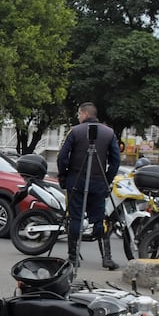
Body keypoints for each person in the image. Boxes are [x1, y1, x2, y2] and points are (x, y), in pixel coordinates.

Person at [56, 102, 121, 269]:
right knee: (100, 219)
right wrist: (107, 178)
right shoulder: (109, 133)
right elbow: (115, 161)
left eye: (79, 114)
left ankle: (72, 258)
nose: (78, 117)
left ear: (84, 114)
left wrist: (63, 176)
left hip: (76, 181)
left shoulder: (75, 131)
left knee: (75, 218)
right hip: (99, 182)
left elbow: (62, 157)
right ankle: (106, 258)